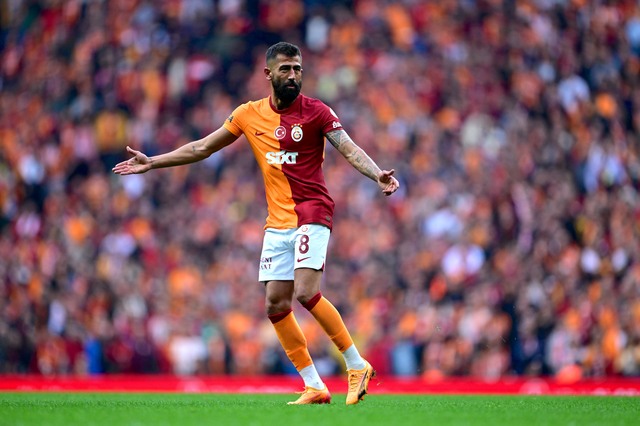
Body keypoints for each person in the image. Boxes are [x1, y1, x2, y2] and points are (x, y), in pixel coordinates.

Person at [112, 41, 400, 405]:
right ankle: (314, 385)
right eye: (285, 69)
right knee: (275, 305)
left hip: (312, 211)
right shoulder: (248, 114)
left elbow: (350, 148)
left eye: (297, 69)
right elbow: (202, 148)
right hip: (277, 222)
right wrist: (153, 161)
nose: (293, 75)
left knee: (306, 292)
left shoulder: (317, 112)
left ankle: (356, 365)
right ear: (268, 74)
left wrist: (377, 174)